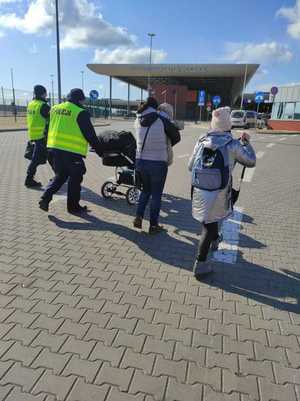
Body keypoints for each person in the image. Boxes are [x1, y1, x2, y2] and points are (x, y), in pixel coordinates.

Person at [188, 106, 256, 278]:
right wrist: (246, 143)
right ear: (228, 125)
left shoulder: (201, 140)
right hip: (219, 192)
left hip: (199, 190)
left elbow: (190, 166)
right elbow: (250, 161)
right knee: (208, 228)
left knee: (209, 222)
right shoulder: (232, 144)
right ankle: (200, 264)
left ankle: (215, 240)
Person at [39, 88, 103, 214]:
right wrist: (101, 152)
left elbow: (47, 127)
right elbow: (90, 135)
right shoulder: (80, 112)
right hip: (71, 152)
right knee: (75, 178)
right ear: (80, 99)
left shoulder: (55, 108)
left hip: (53, 149)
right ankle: (73, 207)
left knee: (61, 175)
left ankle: (45, 198)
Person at [133, 97, 181, 234]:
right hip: (157, 163)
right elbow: (177, 137)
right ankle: (153, 225)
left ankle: (138, 216)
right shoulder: (161, 120)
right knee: (156, 195)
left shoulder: (137, 119)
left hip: (141, 162)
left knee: (145, 190)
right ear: (156, 108)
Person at [25, 85, 50, 188]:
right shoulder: (43, 106)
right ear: (43, 93)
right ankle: (29, 179)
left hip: (33, 134)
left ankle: (59, 176)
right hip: (42, 135)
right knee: (38, 159)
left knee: (45, 157)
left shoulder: (31, 104)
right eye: (45, 93)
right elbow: (51, 120)